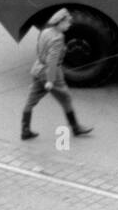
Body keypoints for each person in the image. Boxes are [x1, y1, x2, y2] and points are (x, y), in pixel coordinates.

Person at [21, 9, 93, 141]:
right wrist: (50, 80)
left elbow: (39, 49)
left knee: (31, 101)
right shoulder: (58, 38)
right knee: (65, 98)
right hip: (52, 72)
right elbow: (53, 61)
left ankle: (25, 130)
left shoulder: (45, 32)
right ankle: (76, 127)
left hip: (38, 68)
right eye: (67, 23)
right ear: (59, 23)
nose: (69, 25)